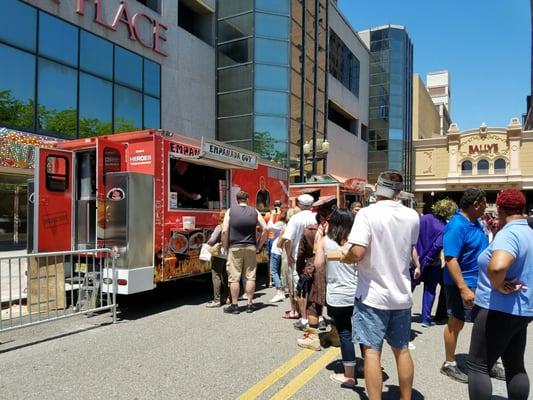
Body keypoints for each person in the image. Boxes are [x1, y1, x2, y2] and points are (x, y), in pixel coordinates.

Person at [341, 170, 419, 400]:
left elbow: (358, 251)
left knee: (372, 352)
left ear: (377, 187)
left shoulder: (366, 214)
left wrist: (345, 256)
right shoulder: (412, 215)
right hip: (401, 294)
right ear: (398, 191)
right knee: (402, 349)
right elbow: (408, 248)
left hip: (372, 295)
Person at [467, 188, 533, 400]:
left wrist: (497, 284)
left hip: (497, 307)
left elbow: (497, 266)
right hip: (522, 309)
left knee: (478, 366)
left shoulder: (509, 233)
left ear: (502, 210)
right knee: (514, 363)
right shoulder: (530, 232)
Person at [440, 188, 492, 383]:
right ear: (476, 204)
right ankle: (449, 363)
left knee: (484, 323)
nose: (487, 207)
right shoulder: (456, 226)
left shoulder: (475, 222)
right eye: (485, 203)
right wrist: (463, 288)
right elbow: (451, 258)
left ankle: (485, 361)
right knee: (457, 322)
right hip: (463, 283)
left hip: (480, 282)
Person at [314, 208, 358, 387]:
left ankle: (349, 376)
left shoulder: (326, 241)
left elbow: (318, 265)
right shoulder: (356, 242)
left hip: (337, 295)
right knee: (364, 334)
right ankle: (370, 366)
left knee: (345, 333)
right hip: (359, 293)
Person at [295, 196, 337, 349]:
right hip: (337, 269)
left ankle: (313, 337)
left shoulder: (310, 230)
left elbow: (301, 254)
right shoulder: (341, 230)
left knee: (313, 304)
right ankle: (336, 334)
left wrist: (300, 270)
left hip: (314, 269)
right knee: (335, 304)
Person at [412, 198, 457, 327]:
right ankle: (426, 319)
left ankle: (401, 312)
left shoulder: (423, 218)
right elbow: (437, 246)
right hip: (432, 262)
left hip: (416, 257)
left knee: (410, 286)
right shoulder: (444, 226)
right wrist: (428, 259)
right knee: (430, 290)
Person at [222, 191, 267, 314]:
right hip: (251, 247)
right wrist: (259, 244)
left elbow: (225, 231)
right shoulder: (255, 211)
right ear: (247, 199)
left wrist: (225, 247)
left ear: (237, 200)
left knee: (234, 278)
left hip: (235, 247)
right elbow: (266, 228)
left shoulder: (230, 211)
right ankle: (249, 304)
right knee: (250, 276)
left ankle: (235, 305)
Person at [280, 194, 316, 325]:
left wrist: (289, 255)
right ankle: (315, 315)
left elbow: (288, 239)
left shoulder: (295, 218)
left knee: (300, 288)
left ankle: (304, 317)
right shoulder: (316, 217)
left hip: (297, 257)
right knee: (313, 286)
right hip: (314, 256)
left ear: (299, 204)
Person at [279, 207, 301, 319]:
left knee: (291, 284)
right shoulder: (303, 227)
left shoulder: (287, 228)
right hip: (300, 255)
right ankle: (301, 309)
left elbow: (280, 243)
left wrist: (288, 255)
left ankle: (294, 310)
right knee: (299, 284)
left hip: (289, 256)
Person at [206, 210, 229, 308]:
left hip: (219, 254)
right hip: (229, 253)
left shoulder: (220, 227)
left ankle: (216, 300)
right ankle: (228, 298)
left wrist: (207, 243)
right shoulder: (231, 226)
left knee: (216, 276)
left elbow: (212, 240)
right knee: (226, 275)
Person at [268, 207, 288, 303]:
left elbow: (269, 227)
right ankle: (282, 290)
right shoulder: (288, 224)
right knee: (280, 271)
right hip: (283, 250)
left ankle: (279, 292)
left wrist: (272, 215)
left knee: (274, 271)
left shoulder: (280, 224)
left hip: (276, 249)